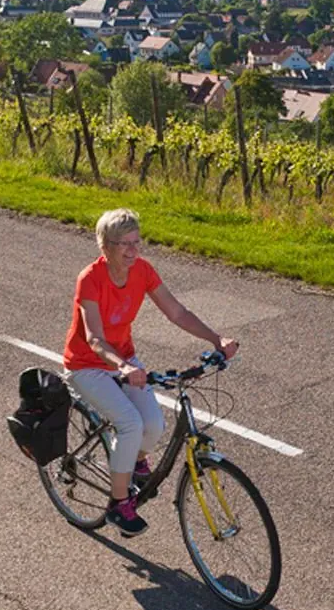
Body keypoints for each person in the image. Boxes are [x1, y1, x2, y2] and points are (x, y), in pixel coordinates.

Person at [64, 208, 238, 537]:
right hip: (87, 365)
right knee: (130, 424)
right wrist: (124, 366)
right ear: (105, 247)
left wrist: (217, 339)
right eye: (124, 244)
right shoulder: (90, 278)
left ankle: (130, 463)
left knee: (154, 425)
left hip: (125, 361)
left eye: (137, 242)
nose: (133, 250)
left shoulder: (143, 271)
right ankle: (118, 504)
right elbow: (94, 338)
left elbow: (177, 312)